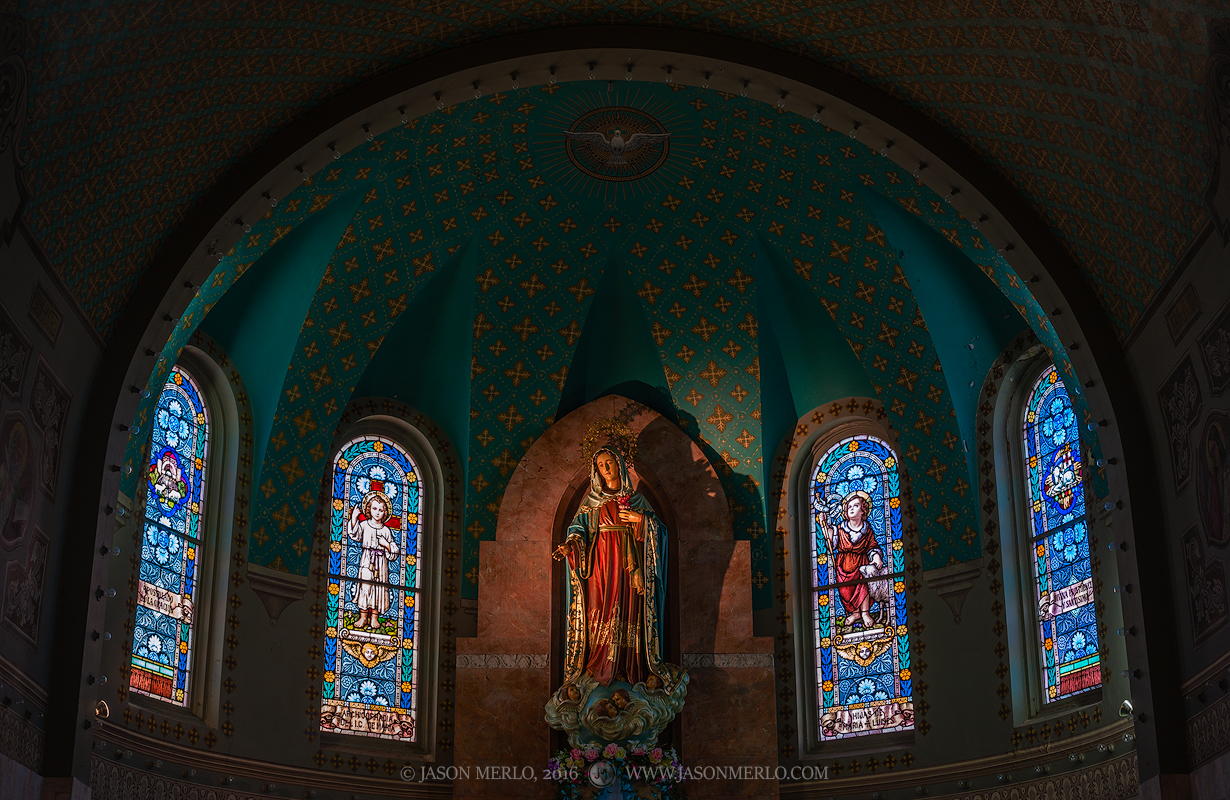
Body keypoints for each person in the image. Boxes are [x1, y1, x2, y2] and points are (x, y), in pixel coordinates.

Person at [552, 446, 675, 688]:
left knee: (630, 610)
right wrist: (570, 546)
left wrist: (642, 520)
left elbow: (660, 534)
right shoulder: (591, 502)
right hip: (600, 565)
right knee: (600, 609)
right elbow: (578, 531)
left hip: (630, 568)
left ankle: (630, 668)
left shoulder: (637, 500)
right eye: (600, 465)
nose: (606, 468)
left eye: (609, 463)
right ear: (595, 471)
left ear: (619, 464)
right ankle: (598, 666)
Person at [818, 490, 885, 629]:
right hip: (843, 565)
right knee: (845, 591)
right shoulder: (841, 529)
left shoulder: (867, 530)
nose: (852, 509)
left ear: (863, 511)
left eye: (855, 506)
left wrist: (876, 557)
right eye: (849, 507)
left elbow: (873, 545)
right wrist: (822, 523)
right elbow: (830, 537)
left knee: (863, 587)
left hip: (861, 563)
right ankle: (855, 613)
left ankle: (865, 612)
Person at [347, 491, 400, 631]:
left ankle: (375, 618)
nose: (377, 512)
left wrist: (386, 545)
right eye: (374, 508)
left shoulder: (386, 530)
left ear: (385, 513)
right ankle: (363, 616)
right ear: (369, 509)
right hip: (366, 560)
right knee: (365, 586)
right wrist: (354, 518)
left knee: (379, 589)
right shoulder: (364, 525)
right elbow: (354, 534)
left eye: (381, 510)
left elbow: (394, 550)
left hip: (381, 563)